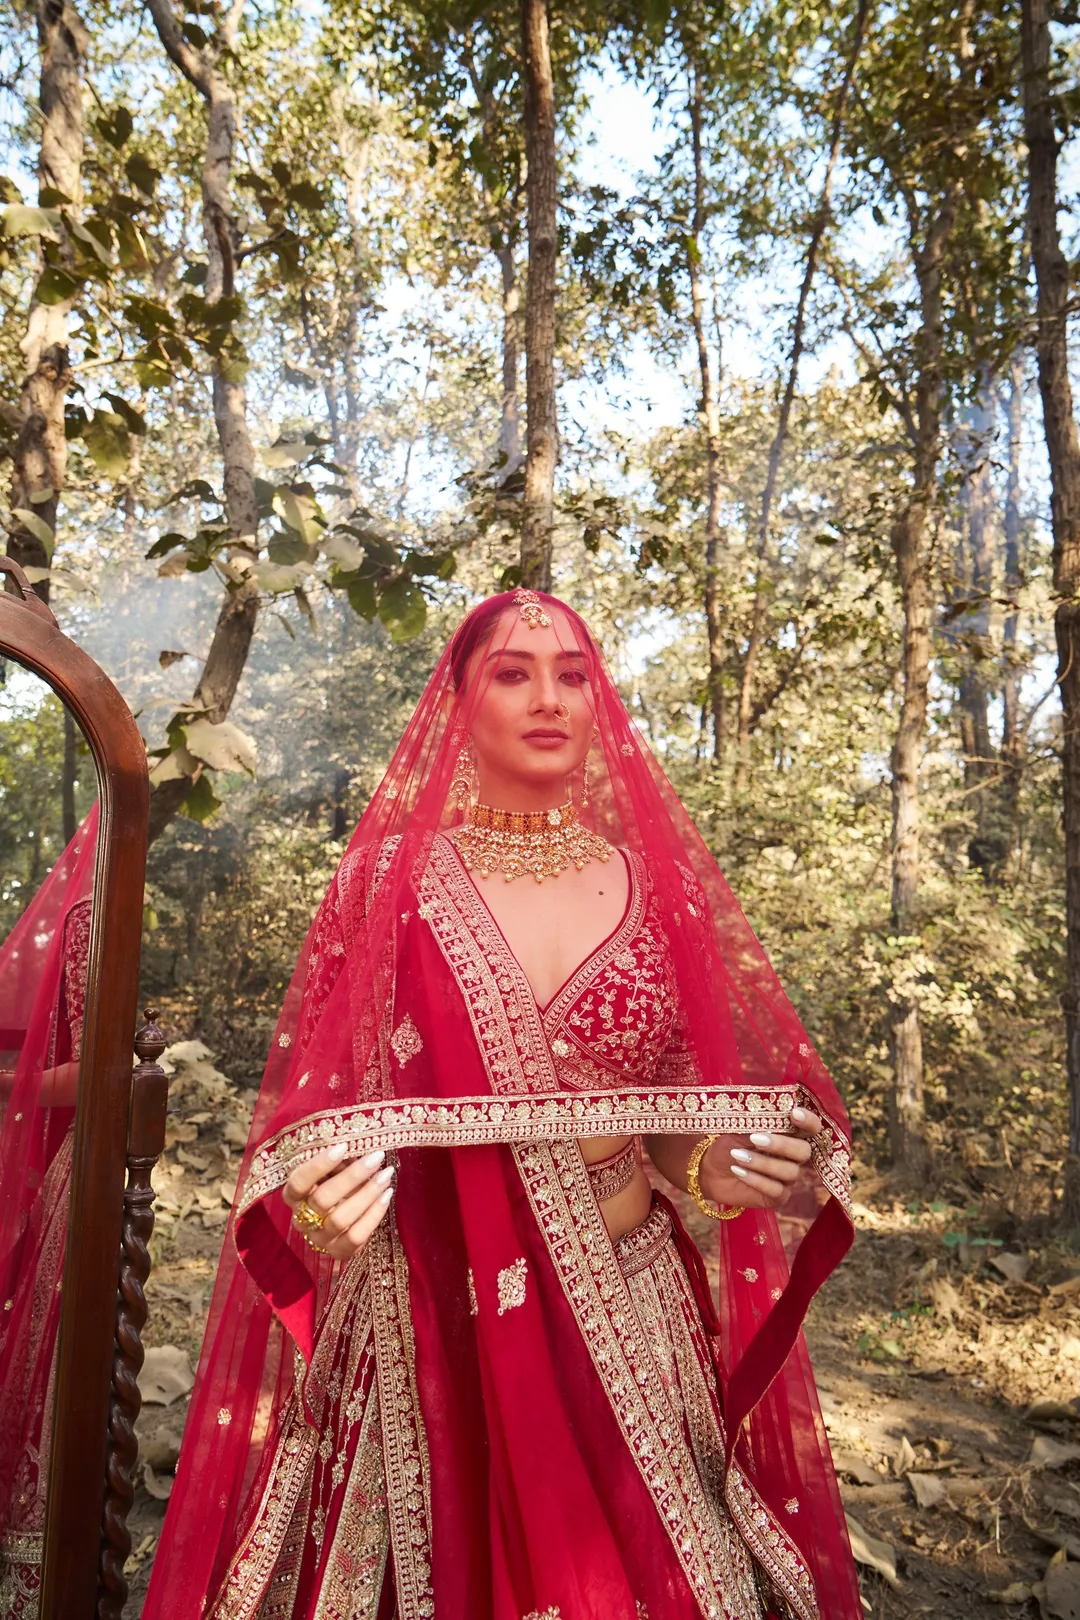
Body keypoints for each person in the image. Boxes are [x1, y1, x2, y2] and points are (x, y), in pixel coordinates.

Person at [145, 591, 860, 1620]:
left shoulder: (659, 887)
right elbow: (330, 1116)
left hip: (628, 1306)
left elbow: (672, 1115)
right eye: (512, 674)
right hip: (428, 1315)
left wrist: (719, 1166)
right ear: (458, 704)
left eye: (573, 675)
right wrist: (319, 1209)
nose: (549, 699)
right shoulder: (388, 884)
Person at [0, 810, 96, 1616]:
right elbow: (98, 1063)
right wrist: (12, 1087)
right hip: (81, 1157)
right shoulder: (93, 916)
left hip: (92, 1157)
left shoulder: (95, 912)